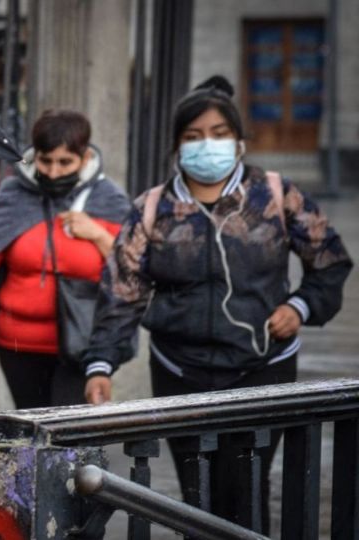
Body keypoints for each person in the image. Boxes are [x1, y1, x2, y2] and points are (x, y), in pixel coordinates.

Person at [82, 76, 353, 531]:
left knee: (249, 485)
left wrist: (301, 307)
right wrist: (101, 365)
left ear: (239, 141)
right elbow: (122, 291)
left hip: (262, 368)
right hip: (180, 372)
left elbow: (331, 261)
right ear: (177, 146)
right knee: (197, 494)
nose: (207, 145)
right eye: (193, 136)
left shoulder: (274, 194)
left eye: (219, 133)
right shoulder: (152, 208)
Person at [0, 109, 131, 408]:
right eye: (45, 161)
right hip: (17, 345)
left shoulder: (109, 201)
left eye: (65, 162)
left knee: (67, 440)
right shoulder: (13, 195)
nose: (53, 172)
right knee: (32, 436)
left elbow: (132, 269)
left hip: (83, 344)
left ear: (86, 157)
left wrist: (99, 236)